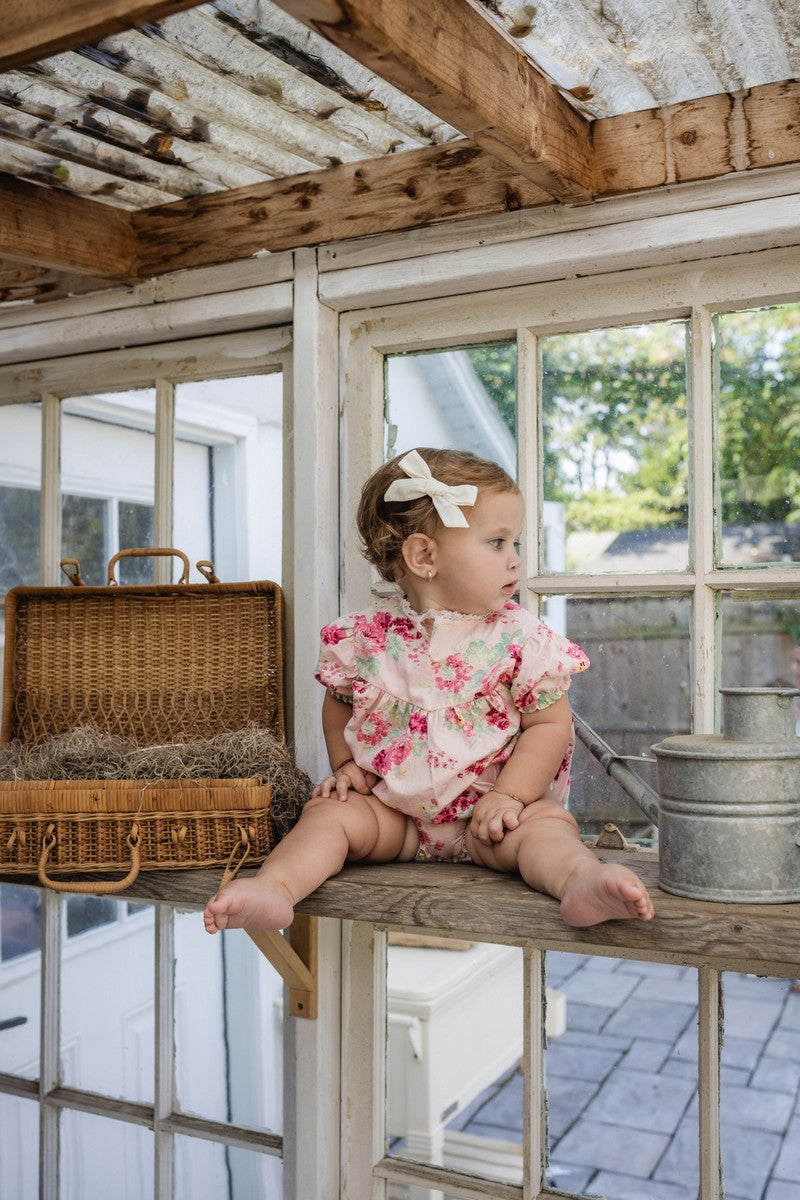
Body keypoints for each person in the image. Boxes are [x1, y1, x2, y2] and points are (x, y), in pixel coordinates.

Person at [204, 447, 654, 935]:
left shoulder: (521, 640)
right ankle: (277, 887)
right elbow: (339, 704)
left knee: (547, 828)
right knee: (329, 816)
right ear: (424, 557)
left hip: (491, 821)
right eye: (498, 542)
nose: (515, 560)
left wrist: (509, 797)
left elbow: (549, 725)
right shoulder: (366, 640)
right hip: (394, 817)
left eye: (515, 543)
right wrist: (348, 768)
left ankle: (581, 882)